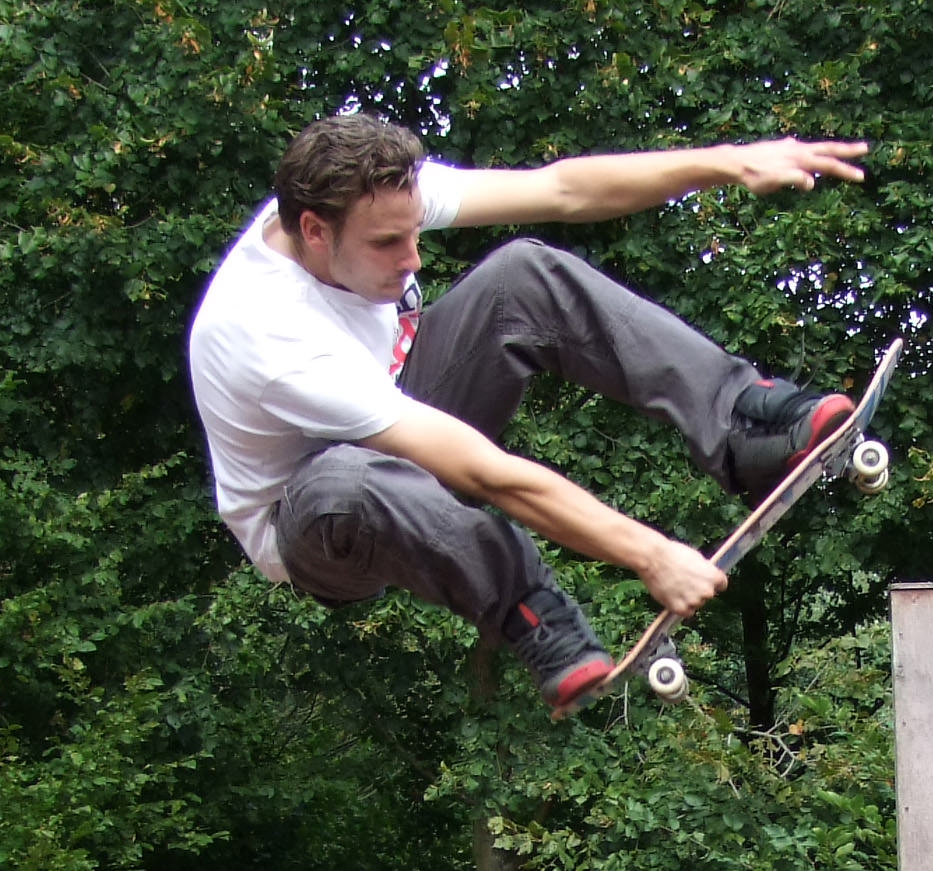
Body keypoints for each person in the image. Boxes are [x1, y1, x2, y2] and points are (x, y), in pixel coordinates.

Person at [188, 114, 870, 708]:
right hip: (319, 527)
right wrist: (650, 553)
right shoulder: (267, 334)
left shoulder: (373, 193)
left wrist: (729, 162)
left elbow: (562, 189)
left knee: (521, 276)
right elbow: (483, 472)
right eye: (387, 244)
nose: (412, 258)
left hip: (397, 412)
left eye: (414, 231)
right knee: (345, 480)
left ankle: (743, 425)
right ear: (314, 231)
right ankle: (532, 611)